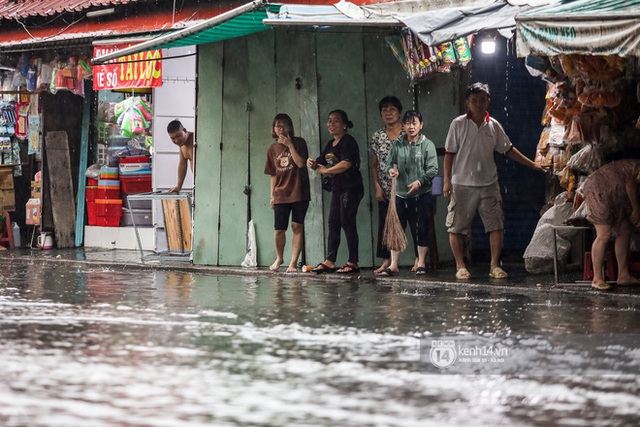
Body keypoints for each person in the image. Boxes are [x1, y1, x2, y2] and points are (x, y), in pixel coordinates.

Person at [443, 82, 545, 280]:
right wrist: (446, 181)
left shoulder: (494, 125)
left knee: (496, 225)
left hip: (489, 183)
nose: (478, 104)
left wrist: (533, 165)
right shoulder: (458, 124)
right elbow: (449, 154)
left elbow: (508, 150)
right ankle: (460, 265)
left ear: (488, 101)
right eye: (474, 101)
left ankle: (494, 265)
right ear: (467, 103)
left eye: (482, 100)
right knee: (456, 227)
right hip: (462, 184)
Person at [380, 110, 438, 276]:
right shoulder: (398, 144)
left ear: (421, 125)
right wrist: (391, 170)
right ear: (403, 126)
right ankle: (393, 265)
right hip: (400, 194)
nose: (411, 126)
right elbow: (389, 162)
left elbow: (433, 169)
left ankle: (420, 263)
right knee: (396, 228)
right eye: (408, 123)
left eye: (415, 123)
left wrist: (419, 182)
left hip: (422, 194)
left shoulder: (427, 145)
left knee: (421, 227)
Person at [307, 110, 364, 274]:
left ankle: (353, 262)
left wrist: (326, 170)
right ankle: (330, 261)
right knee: (333, 222)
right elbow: (320, 162)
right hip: (338, 188)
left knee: (347, 221)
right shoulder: (330, 144)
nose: (331, 124)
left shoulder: (348, 141)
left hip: (351, 188)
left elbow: (346, 164)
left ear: (344, 124)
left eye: (336, 121)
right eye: (329, 121)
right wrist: (312, 163)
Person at [580, 159, 640, 290]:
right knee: (604, 234)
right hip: (599, 189)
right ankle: (597, 278)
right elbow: (630, 184)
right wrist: (636, 208)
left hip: (617, 195)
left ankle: (623, 275)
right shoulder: (636, 166)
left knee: (624, 231)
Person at [264, 113, 311, 273]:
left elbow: (300, 163)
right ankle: (279, 257)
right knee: (279, 230)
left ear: (290, 127)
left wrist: (290, 145)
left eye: (284, 125)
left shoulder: (299, 143)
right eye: (277, 126)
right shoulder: (272, 149)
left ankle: (293, 263)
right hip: (280, 193)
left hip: (299, 191)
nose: (281, 129)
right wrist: (272, 196)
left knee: (296, 226)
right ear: (273, 128)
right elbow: (273, 174)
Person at [369, 96, 406, 274]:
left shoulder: (407, 132)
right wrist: (377, 186)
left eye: (392, 109)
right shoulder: (378, 136)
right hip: (385, 188)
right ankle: (386, 261)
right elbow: (374, 164)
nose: (388, 113)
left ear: (399, 112)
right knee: (385, 224)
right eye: (384, 110)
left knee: (408, 222)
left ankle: (418, 260)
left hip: (406, 188)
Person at [167, 119, 194, 193]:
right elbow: (182, 165)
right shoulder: (182, 145)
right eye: (172, 138)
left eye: (178, 136)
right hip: (199, 182)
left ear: (184, 130)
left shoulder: (195, 139)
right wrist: (179, 186)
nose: (176, 140)